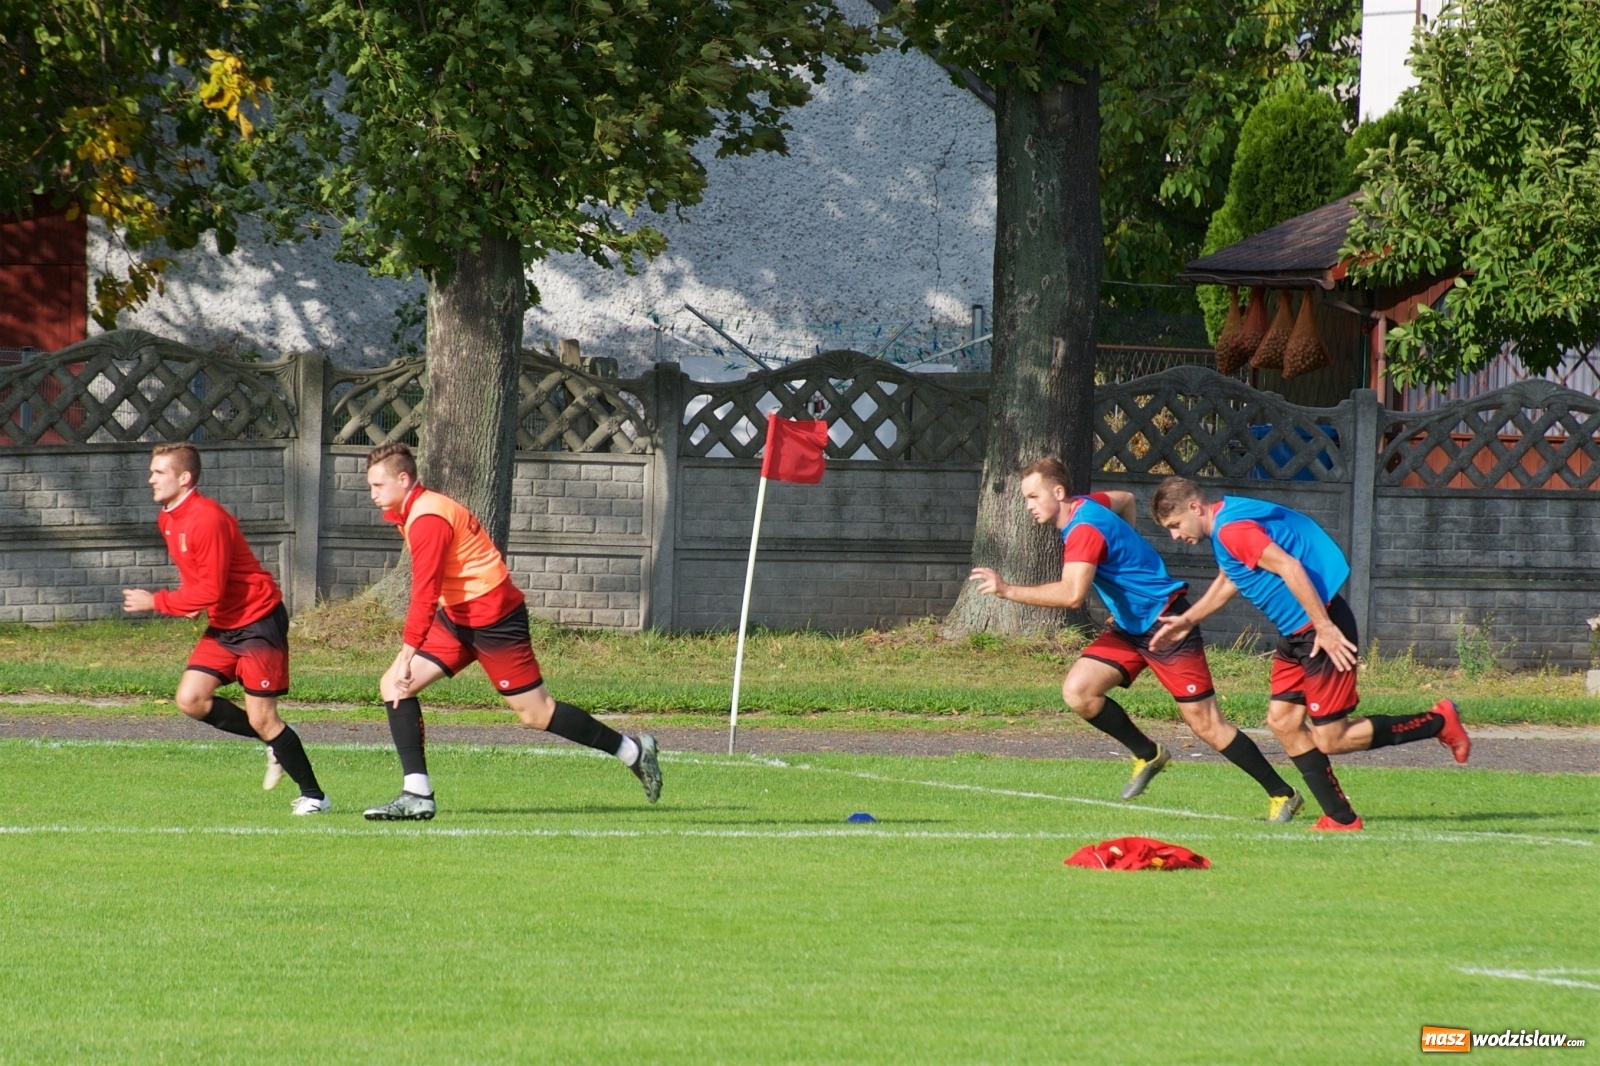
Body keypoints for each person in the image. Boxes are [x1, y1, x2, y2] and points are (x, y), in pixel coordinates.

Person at [968, 458, 1305, 821]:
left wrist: (1006, 590)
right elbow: (1126, 498)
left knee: (1206, 724)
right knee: (1079, 692)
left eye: (1033, 496)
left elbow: (1071, 595)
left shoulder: (1083, 529)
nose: (1029, 505)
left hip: (1167, 622)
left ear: (1059, 492)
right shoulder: (1089, 504)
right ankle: (1148, 753)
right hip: (1131, 627)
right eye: (1026, 498)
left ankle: (1282, 794)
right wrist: (1129, 562)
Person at [1148, 476, 1470, 832]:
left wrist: (1325, 627)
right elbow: (1231, 578)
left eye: (1176, 525)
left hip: (1318, 630)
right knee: (1283, 721)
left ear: (1195, 507)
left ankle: (1439, 721)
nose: (1176, 536)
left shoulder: (1231, 531)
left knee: (1332, 737)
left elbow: (1289, 566)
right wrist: (1187, 620)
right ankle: (1340, 818)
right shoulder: (1228, 520)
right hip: (1297, 634)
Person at [361, 442, 661, 820]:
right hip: (457, 616)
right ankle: (417, 794)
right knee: (393, 686)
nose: (372, 494)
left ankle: (633, 751)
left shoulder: (428, 518)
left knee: (537, 714)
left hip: (494, 617)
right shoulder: (419, 509)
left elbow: (423, 593)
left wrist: (407, 655)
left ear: (403, 480)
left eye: (377, 485)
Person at [122, 442, 329, 814]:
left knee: (264, 717)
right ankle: (273, 744)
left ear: (184, 478)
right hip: (225, 624)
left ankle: (315, 797)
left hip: (257, 621)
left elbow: (212, 588)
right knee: (191, 699)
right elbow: (200, 577)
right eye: (151, 471)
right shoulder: (168, 517)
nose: (150, 479)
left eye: (158, 472)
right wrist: (191, 602)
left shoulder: (207, 518)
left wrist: (159, 601)